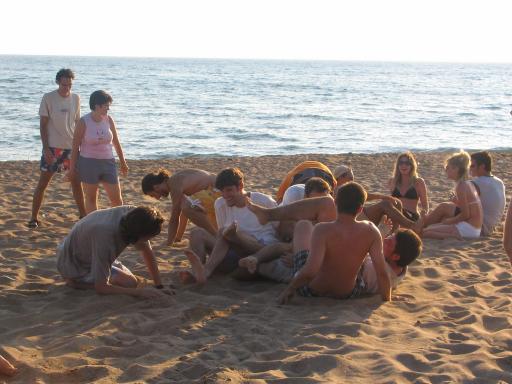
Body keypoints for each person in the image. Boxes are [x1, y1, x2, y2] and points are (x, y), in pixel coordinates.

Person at [276, 182, 391, 304]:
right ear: (360, 209)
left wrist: (289, 290)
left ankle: (293, 255)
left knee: (303, 225)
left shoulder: (322, 229)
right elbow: (382, 273)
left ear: (335, 203)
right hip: (347, 293)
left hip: (313, 290)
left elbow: (310, 271)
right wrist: (387, 300)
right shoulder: (372, 231)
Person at [183, 168, 278, 284]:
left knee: (227, 232)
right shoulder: (220, 204)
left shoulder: (263, 200)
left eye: (229, 190)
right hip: (234, 253)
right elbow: (221, 238)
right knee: (197, 233)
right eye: (222, 191)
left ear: (241, 186)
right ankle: (198, 272)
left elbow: (280, 229)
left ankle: (206, 271)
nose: (225, 195)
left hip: (260, 251)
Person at [57, 206, 169, 298]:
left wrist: (159, 285)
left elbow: (146, 251)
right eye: (148, 238)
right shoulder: (106, 236)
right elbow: (101, 288)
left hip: (91, 253)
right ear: (137, 235)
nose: (148, 241)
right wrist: (140, 293)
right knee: (127, 284)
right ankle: (76, 283)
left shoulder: (135, 216)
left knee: (130, 283)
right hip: (74, 264)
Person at [238, 177, 333, 275]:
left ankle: (257, 262)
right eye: (315, 200)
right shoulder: (296, 196)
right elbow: (289, 229)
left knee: (284, 252)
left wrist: (298, 257)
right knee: (286, 246)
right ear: (305, 197)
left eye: (322, 199)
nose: (318, 204)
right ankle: (255, 258)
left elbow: (325, 245)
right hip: (290, 233)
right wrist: (296, 252)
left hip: (314, 252)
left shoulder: (330, 207)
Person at [28, 69, 86, 228]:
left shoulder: (76, 98)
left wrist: (82, 145)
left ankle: (83, 216)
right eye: (64, 84)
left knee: (76, 183)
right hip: (53, 148)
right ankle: (34, 218)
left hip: (72, 149)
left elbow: (78, 123)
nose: (67, 88)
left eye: (69, 85)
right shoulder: (48, 98)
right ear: (58, 82)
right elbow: (42, 125)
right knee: (43, 183)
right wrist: (45, 149)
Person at [69, 90, 128, 214]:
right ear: (97, 105)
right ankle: (92, 225)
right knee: (91, 198)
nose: (108, 108)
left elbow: (116, 142)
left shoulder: (108, 119)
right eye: (106, 105)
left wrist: (123, 161)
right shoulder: (84, 122)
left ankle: (118, 225)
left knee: (117, 200)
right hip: (88, 162)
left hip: (108, 162)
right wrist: (72, 168)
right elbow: (75, 147)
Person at [141, 168, 220, 245]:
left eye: (153, 195)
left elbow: (174, 218)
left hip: (217, 192)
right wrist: (177, 239)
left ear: (156, 187)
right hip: (215, 193)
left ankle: (216, 236)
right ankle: (178, 238)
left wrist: (169, 243)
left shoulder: (174, 183)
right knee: (186, 205)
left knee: (187, 206)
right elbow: (183, 213)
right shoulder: (176, 180)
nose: (158, 198)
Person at [421, 151, 483, 239]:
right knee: (429, 229)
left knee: (424, 232)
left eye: (448, 168)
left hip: (468, 228)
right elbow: (467, 208)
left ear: (456, 169)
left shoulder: (461, 186)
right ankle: (452, 234)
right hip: (474, 228)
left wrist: (450, 221)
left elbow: (466, 214)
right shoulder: (468, 183)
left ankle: (453, 236)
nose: (446, 170)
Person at [470, 151, 506, 235]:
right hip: (492, 226)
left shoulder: (478, 182)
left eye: (472, 166)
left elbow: (459, 203)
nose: (470, 168)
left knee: (445, 207)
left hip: (481, 227)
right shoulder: (499, 181)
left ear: (482, 166)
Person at [388, 152, 429, 222]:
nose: (404, 165)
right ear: (398, 166)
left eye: (407, 163)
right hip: (396, 215)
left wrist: (422, 218)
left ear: (412, 166)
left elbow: (425, 205)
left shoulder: (419, 182)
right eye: (401, 163)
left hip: (411, 216)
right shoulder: (392, 181)